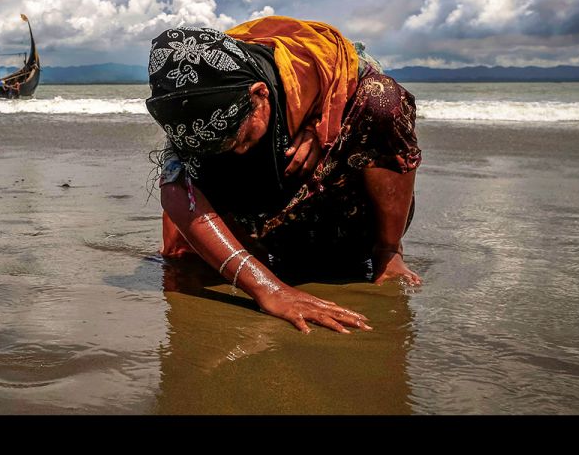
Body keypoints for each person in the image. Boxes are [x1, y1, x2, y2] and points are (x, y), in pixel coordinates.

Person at [145, 17, 422, 335]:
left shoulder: (326, 63)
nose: (235, 153)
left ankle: (388, 252)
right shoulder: (196, 105)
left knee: (382, 97)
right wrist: (269, 289)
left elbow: (380, 111)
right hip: (269, 235)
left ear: (260, 94)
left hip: (349, 220)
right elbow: (177, 190)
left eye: (240, 139)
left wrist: (322, 125)